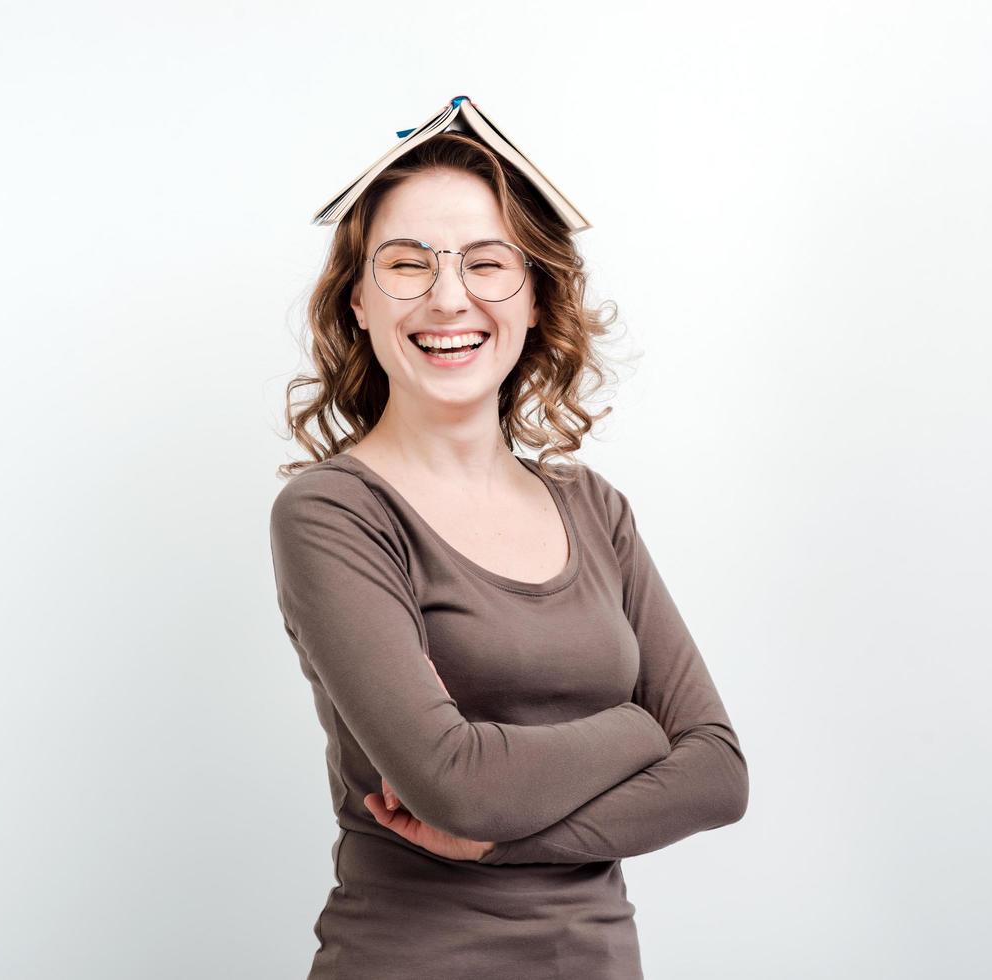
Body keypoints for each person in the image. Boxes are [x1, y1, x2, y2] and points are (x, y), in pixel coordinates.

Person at [268, 130, 748, 979]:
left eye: (487, 264)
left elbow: (715, 770)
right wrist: (638, 729)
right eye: (407, 264)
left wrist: (492, 846)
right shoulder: (333, 513)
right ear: (356, 302)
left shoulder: (593, 507)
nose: (448, 299)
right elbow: (456, 785)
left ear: (534, 298)